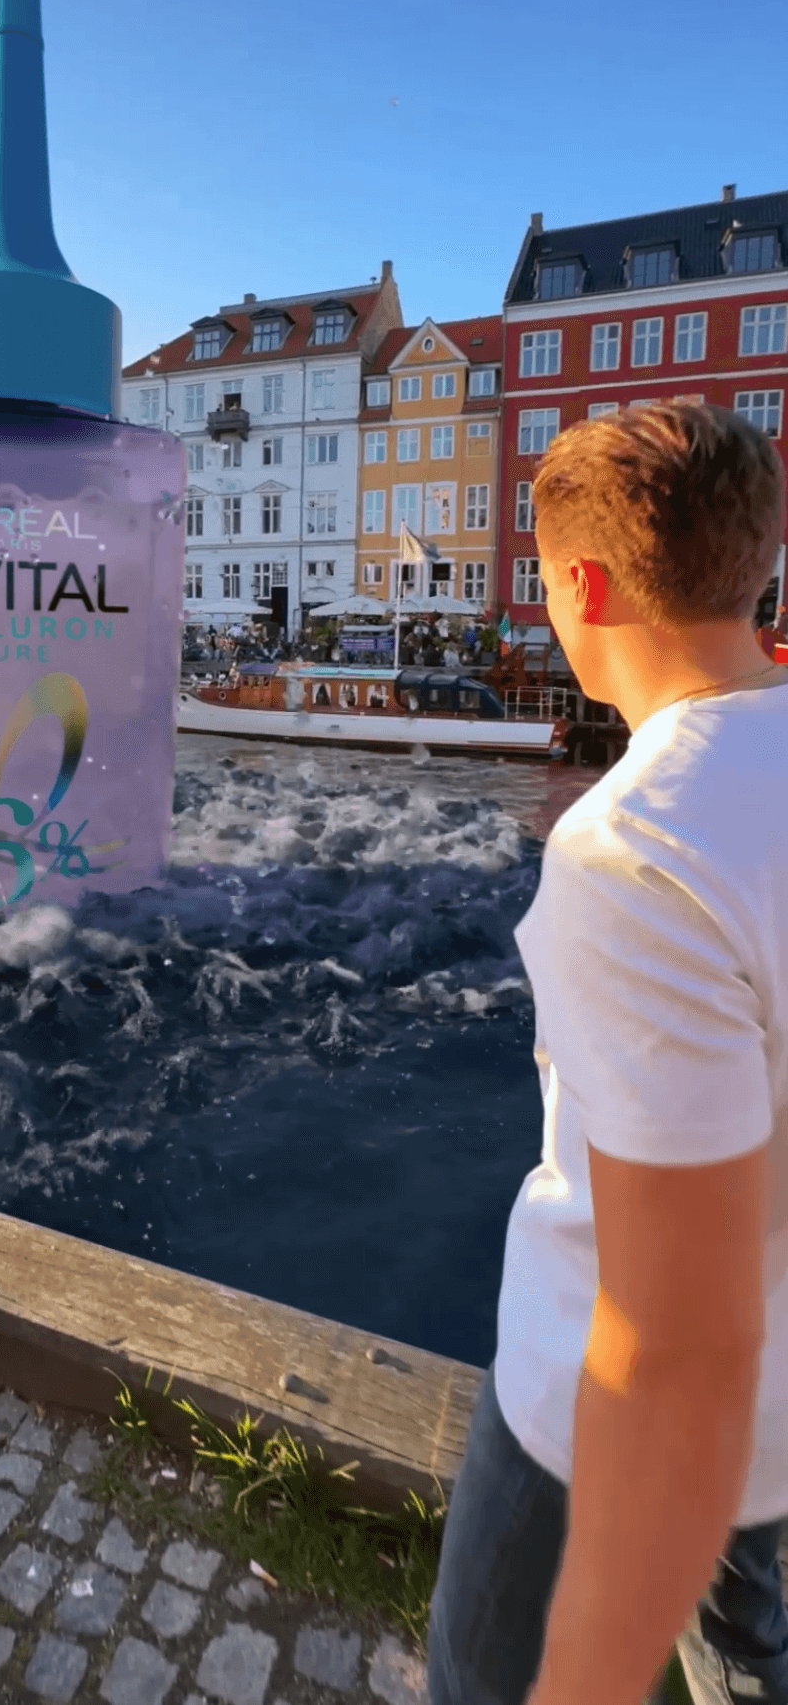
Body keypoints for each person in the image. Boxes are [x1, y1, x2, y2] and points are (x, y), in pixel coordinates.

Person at [427, 402, 788, 1705]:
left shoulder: (635, 847)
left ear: (580, 586)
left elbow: (673, 1337)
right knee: (748, 1653)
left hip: (586, 1423)